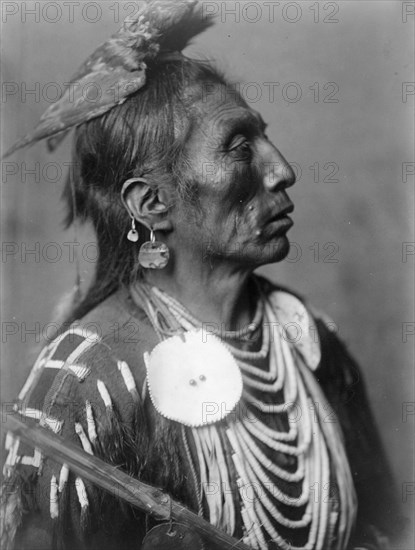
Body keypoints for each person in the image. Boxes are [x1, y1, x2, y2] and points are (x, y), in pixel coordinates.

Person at [1, 1, 399, 549]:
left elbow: (385, 530)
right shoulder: (85, 385)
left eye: (263, 138)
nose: (282, 170)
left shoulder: (309, 341)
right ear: (151, 203)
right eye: (240, 149)